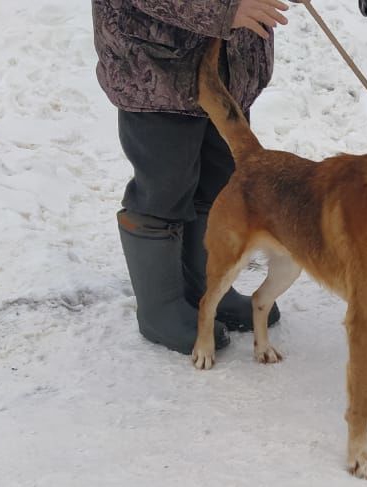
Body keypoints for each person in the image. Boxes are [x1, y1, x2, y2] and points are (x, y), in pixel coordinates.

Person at [91, 0, 289, 354]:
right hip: (158, 69)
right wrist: (224, 11)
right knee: (164, 190)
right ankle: (160, 307)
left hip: (227, 70)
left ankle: (208, 289)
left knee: (220, 184)